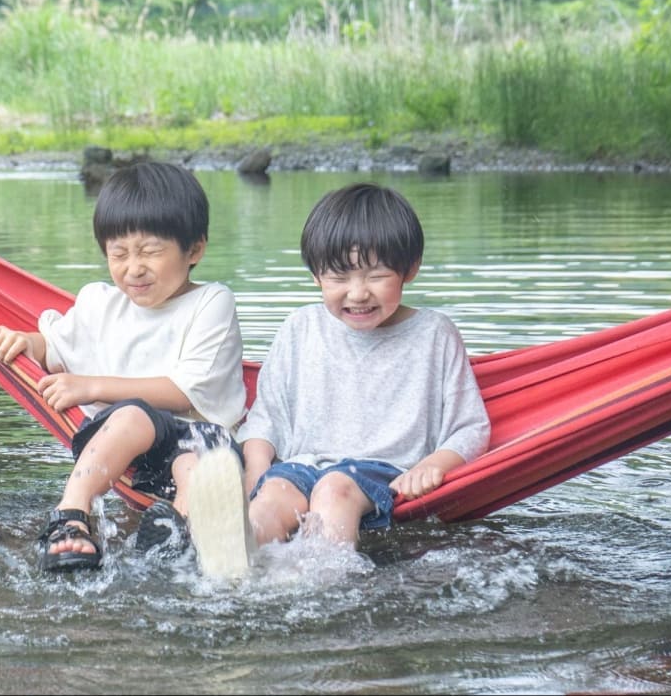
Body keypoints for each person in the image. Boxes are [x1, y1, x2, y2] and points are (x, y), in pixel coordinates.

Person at [187, 182, 491, 577]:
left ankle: (322, 582)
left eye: (376, 275)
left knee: (334, 488)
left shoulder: (434, 335)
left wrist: (434, 464)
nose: (358, 293)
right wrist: (253, 476)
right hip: (300, 465)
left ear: (410, 269)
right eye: (339, 278)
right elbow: (267, 418)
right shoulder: (300, 328)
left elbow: (470, 426)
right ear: (316, 276)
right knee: (273, 497)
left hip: (382, 472)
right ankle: (238, 552)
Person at [0, 160, 248, 573]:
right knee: (130, 417)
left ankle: (182, 533)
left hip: (200, 438)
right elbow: (53, 348)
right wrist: (27, 343)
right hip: (125, 449)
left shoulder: (211, 302)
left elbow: (183, 392)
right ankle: (72, 515)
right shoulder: (99, 304)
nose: (133, 268)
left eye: (150, 251)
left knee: (197, 467)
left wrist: (91, 387)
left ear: (194, 249)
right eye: (119, 253)